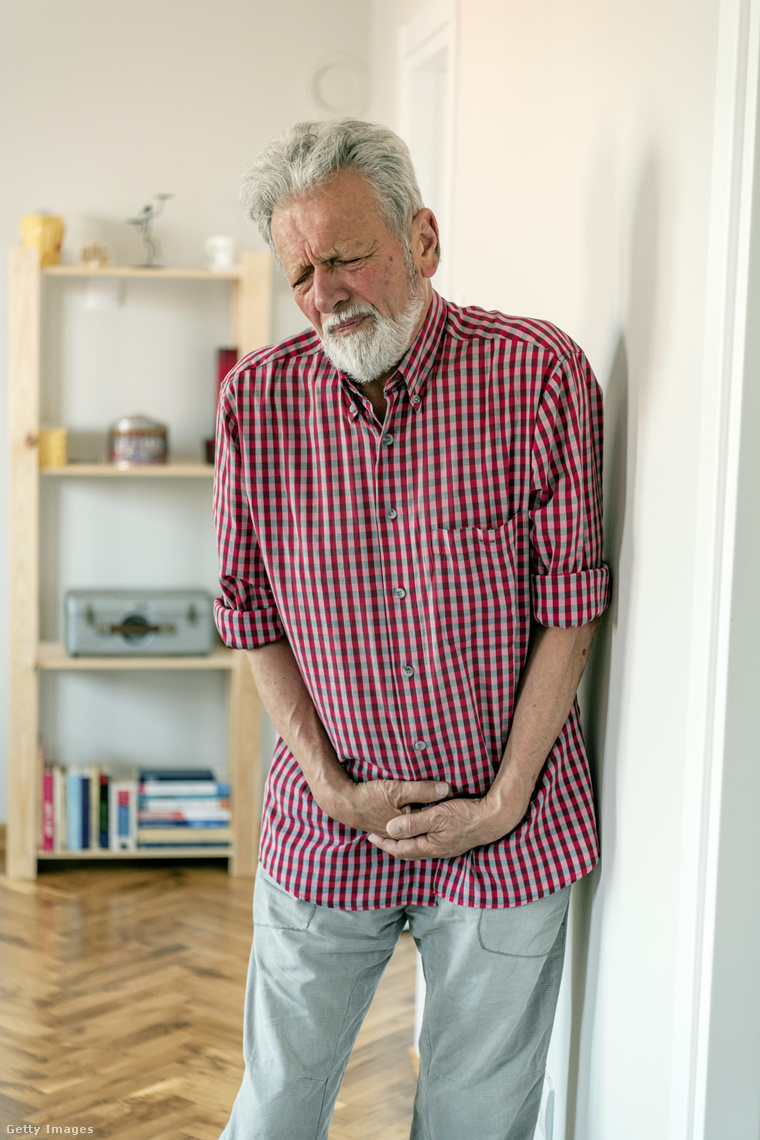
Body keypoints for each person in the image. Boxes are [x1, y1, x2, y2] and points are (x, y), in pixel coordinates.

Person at [213, 118, 610, 1140]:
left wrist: (500, 801)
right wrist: (330, 786)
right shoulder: (255, 402)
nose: (323, 295)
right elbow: (248, 615)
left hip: (506, 836)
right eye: (300, 271)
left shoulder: (540, 374)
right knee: (274, 1110)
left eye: (344, 256)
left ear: (422, 240)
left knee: (478, 1119)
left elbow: (570, 608)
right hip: (326, 825)